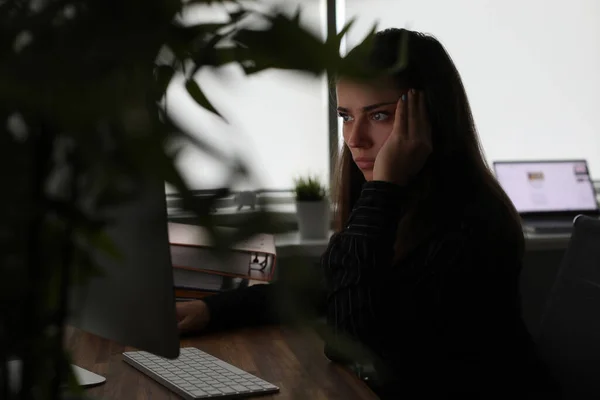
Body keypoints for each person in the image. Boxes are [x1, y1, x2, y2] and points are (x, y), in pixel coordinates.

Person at [176, 28, 560, 398]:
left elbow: (353, 346)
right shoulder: (394, 202)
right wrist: (213, 310)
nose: (355, 138)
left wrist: (382, 190)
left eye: (379, 116)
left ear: (431, 120)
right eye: (346, 116)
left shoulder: (476, 225)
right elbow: (327, 287)